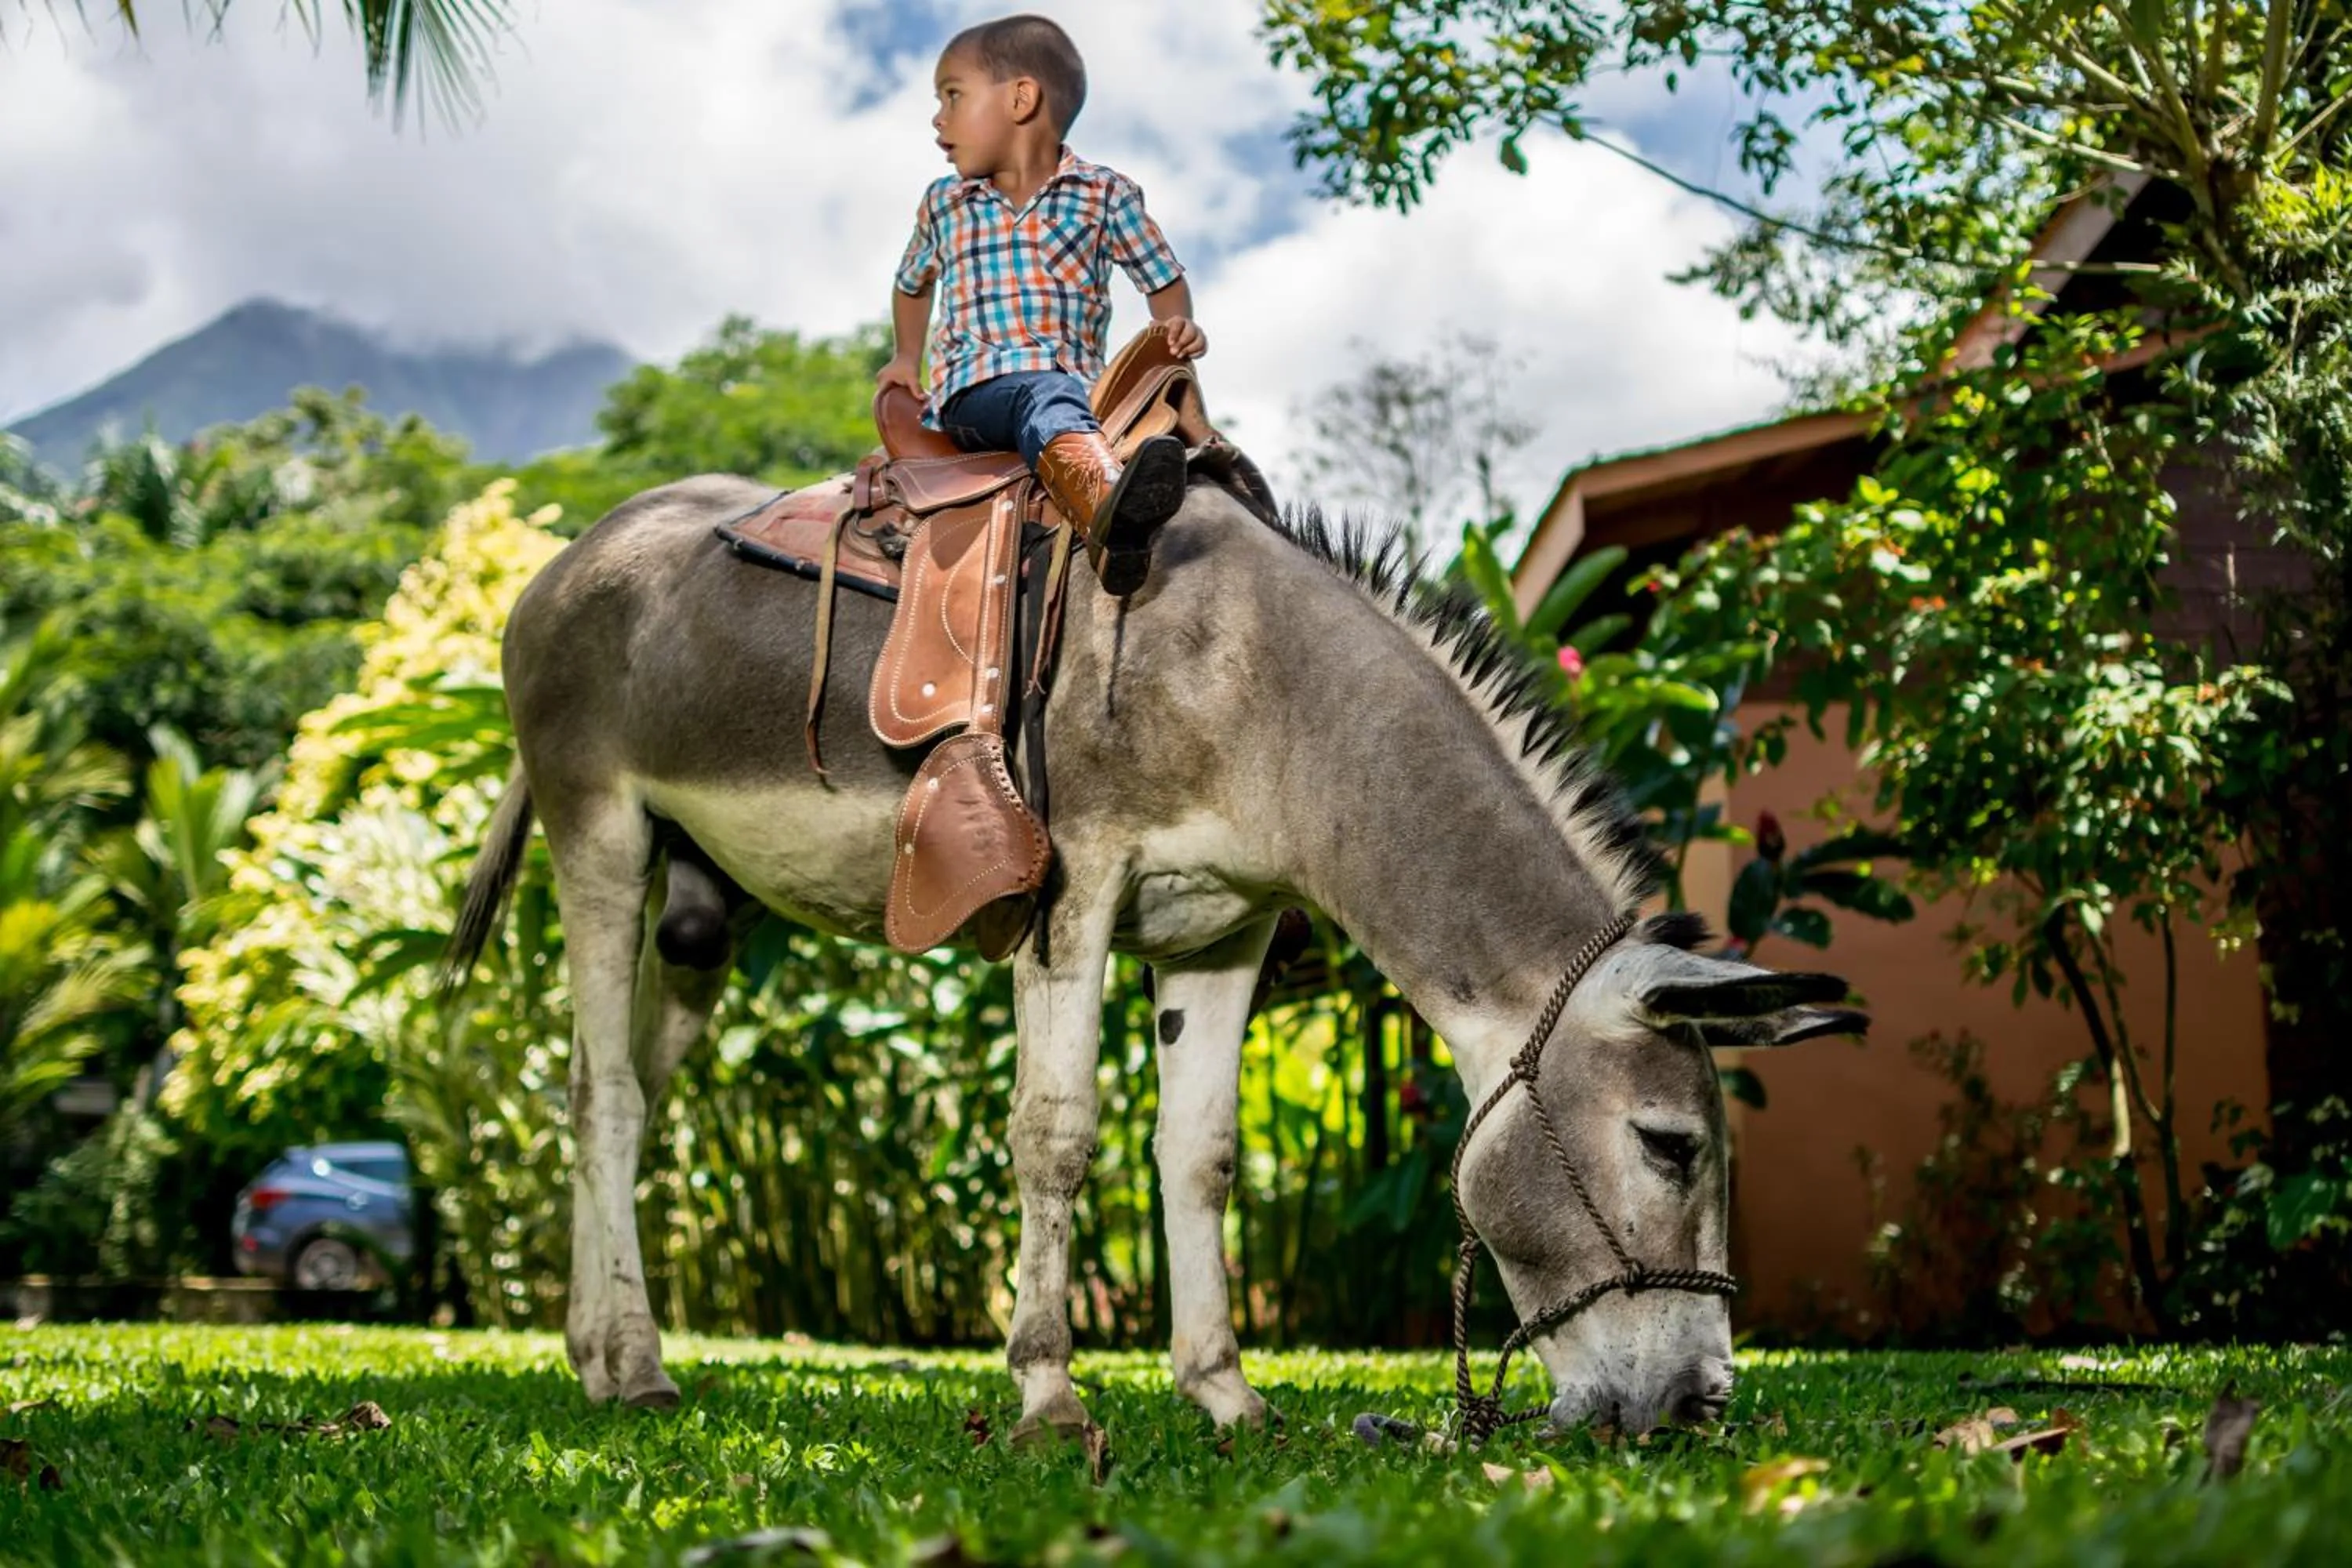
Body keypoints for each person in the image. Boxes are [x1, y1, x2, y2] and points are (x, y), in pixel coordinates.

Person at [878, 14, 1203, 597]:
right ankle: (1106, 508)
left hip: (1081, 391)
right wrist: (906, 359)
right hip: (976, 393)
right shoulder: (944, 204)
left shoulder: (1105, 195)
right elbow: (912, 283)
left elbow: (1161, 279)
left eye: (953, 96)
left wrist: (1174, 326)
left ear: (1022, 98)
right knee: (1039, 390)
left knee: (1071, 397)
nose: (937, 117)